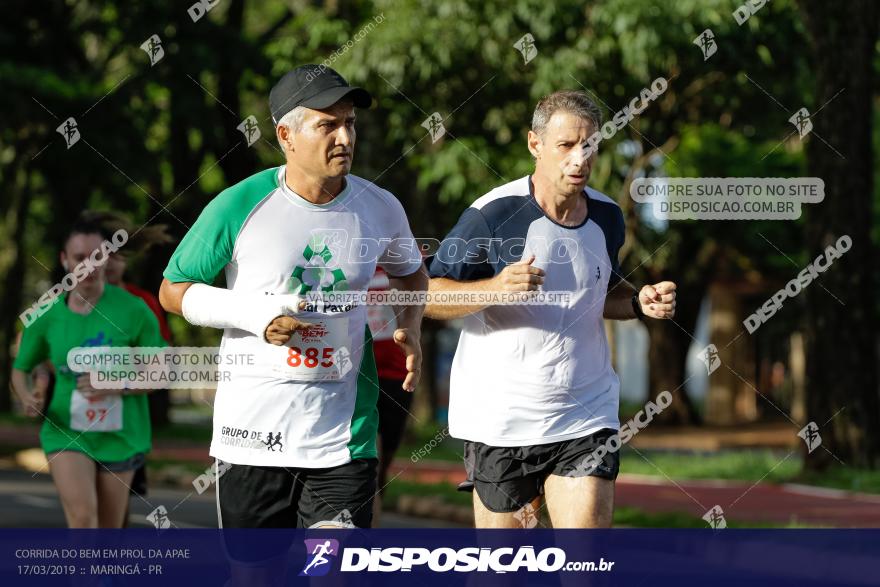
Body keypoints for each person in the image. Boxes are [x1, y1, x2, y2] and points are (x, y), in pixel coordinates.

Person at [158, 64, 427, 532]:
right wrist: (256, 315)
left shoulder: (380, 207)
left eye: (350, 123)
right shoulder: (239, 205)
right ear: (286, 135)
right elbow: (172, 290)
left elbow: (413, 275)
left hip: (344, 437)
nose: (344, 137)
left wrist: (414, 329)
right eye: (328, 125)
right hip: (251, 435)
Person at [425, 90, 677, 528]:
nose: (579, 159)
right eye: (565, 146)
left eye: (590, 146)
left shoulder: (607, 216)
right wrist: (495, 288)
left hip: (586, 414)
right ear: (534, 144)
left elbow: (603, 293)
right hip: (501, 421)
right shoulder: (492, 215)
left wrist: (638, 302)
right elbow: (427, 295)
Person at [11, 216, 165, 528]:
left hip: (120, 434)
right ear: (65, 260)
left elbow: (160, 373)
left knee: (109, 534)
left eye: (97, 256)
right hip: (65, 430)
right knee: (83, 520)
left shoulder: (135, 310)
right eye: (80, 257)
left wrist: (114, 384)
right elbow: (21, 369)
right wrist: (29, 395)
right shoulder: (46, 315)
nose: (89, 265)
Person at [367, 267, 414, 525]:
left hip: (397, 376)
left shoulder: (404, 256)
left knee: (382, 465)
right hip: (357, 374)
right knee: (369, 460)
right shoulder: (345, 255)